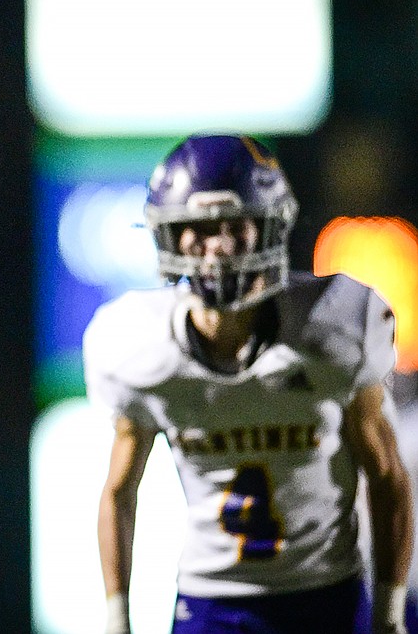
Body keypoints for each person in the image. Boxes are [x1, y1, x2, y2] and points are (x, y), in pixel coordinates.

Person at [82, 134, 415, 634]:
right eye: (199, 228)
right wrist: (115, 618)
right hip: (211, 600)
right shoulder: (139, 348)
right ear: (169, 235)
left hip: (323, 592)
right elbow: (118, 492)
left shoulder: (333, 327)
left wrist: (388, 613)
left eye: (233, 226)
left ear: (268, 227)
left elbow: (387, 476)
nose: (216, 247)